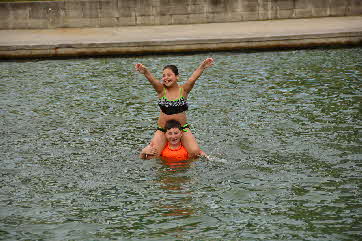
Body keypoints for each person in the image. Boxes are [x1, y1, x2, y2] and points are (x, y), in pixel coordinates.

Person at [135, 57, 214, 159]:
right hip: (163, 130)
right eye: (163, 76)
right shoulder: (161, 90)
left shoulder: (183, 90)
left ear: (177, 77)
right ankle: (144, 152)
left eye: (169, 75)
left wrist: (202, 67)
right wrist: (145, 71)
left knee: (195, 153)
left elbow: (193, 78)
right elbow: (153, 81)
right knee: (151, 155)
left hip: (182, 128)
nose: (166, 78)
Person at [139, 119, 206, 160]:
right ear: (165, 135)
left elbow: (200, 154)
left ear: (181, 134)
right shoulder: (162, 150)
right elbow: (144, 159)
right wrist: (143, 152)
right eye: (170, 133)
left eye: (176, 133)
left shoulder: (187, 148)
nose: (173, 136)